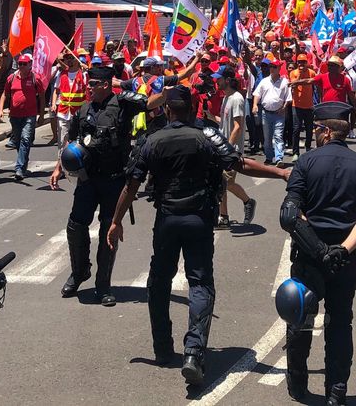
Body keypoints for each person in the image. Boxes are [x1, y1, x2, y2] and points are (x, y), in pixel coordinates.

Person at [106, 85, 287, 386]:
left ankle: (162, 349)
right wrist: (279, 173)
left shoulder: (151, 139)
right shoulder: (207, 135)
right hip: (200, 219)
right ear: (191, 109)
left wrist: (116, 221)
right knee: (200, 283)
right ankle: (193, 352)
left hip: (167, 220)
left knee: (159, 281)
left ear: (166, 110)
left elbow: (131, 185)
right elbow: (239, 164)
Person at [279, 101, 356, 405]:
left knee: (300, 318)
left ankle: (298, 382)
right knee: (339, 323)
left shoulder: (306, 163)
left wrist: (320, 251)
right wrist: (342, 250)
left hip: (311, 255)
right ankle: (337, 391)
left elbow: (290, 215)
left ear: (323, 130)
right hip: (344, 260)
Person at [50, 65, 154, 306]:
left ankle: (103, 284)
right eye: (89, 82)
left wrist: (127, 87)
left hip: (115, 180)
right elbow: (71, 140)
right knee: (76, 225)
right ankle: (79, 272)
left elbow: (152, 102)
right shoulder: (84, 109)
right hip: (88, 179)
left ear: (106, 85)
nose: (88, 86)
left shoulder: (123, 105)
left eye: (93, 83)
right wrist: (59, 166)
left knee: (109, 230)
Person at [217, 68, 257, 229]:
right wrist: (210, 116)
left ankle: (226, 215)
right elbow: (225, 122)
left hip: (230, 150)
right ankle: (245, 203)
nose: (215, 81)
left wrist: (226, 148)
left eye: (218, 78)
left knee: (224, 183)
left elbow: (238, 126)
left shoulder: (237, 99)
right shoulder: (226, 98)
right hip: (225, 148)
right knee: (226, 183)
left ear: (227, 80)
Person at [2, 54, 44, 180]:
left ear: (29, 64)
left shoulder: (35, 78)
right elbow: (5, 94)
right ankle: (23, 160)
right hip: (14, 115)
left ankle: (19, 168)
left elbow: (42, 97)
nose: (21, 66)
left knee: (25, 139)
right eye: (19, 64)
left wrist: (41, 115)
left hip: (29, 115)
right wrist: (0, 110)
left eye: (24, 64)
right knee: (18, 141)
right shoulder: (12, 78)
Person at [252, 59, 291, 167]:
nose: (272, 69)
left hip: (279, 114)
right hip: (266, 113)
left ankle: (279, 158)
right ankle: (269, 157)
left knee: (278, 136)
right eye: (271, 67)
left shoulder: (284, 82)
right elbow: (257, 94)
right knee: (267, 137)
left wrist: (284, 107)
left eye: (274, 67)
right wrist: (255, 105)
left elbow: (288, 98)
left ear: (279, 69)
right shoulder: (264, 81)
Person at [51, 53, 87, 150]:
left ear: (77, 60)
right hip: (63, 112)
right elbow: (56, 90)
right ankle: (61, 161)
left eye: (72, 58)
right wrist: (54, 103)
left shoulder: (83, 74)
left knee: (78, 138)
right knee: (62, 139)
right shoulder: (62, 74)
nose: (69, 60)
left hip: (78, 112)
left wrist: (87, 69)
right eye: (67, 58)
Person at [289, 53, 315, 158]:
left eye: (303, 62)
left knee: (309, 128)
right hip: (297, 105)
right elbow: (293, 85)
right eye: (299, 62)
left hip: (309, 105)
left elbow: (315, 85)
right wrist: (300, 75)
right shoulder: (293, 73)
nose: (301, 64)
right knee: (296, 129)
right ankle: (296, 152)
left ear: (306, 63)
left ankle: (308, 147)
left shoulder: (312, 73)